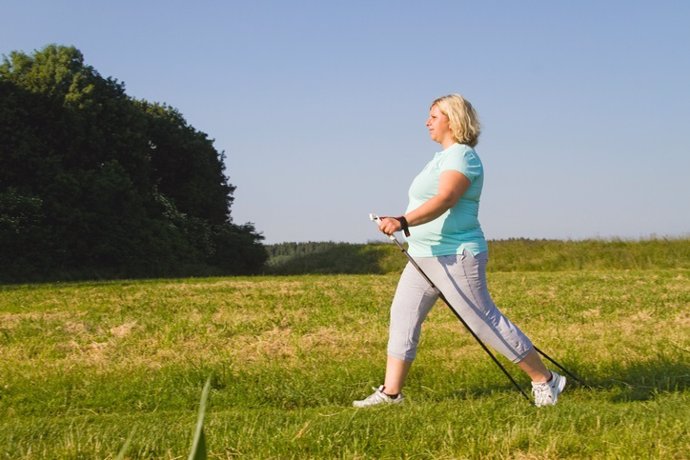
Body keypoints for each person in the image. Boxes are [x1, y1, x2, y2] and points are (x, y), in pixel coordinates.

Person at [353, 94, 565, 408]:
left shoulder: (463, 156)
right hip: (423, 255)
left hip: (456, 255)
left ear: (453, 120)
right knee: (403, 318)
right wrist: (401, 220)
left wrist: (402, 220)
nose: (427, 122)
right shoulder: (438, 159)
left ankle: (546, 381)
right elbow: (427, 201)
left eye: (434, 116)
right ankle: (392, 393)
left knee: (485, 321)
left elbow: (447, 198)